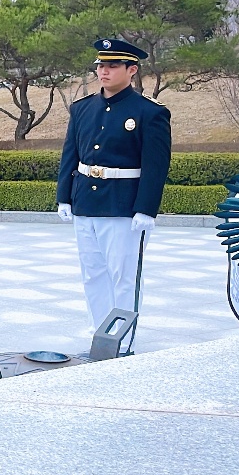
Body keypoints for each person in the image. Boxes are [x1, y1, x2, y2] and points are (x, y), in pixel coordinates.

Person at [57, 39, 172, 340]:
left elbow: (156, 166)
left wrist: (146, 209)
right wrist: (64, 197)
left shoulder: (149, 112)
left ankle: (122, 340)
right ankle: (99, 335)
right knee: (93, 274)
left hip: (123, 206)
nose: (103, 71)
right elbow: (70, 154)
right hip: (85, 202)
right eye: (100, 65)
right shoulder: (82, 109)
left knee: (124, 277)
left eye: (112, 65)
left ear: (132, 70)